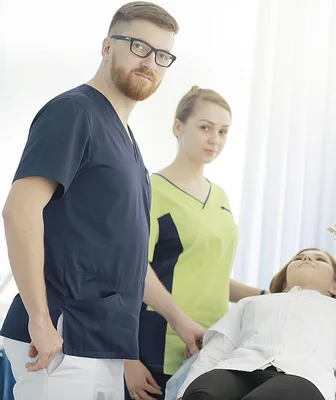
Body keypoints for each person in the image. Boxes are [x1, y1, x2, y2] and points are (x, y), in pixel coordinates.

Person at [0, 2, 205, 399]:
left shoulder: (127, 139)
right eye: (139, 47)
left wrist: (179, 320)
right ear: (108, 46)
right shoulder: (73, 112)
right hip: (60, 339)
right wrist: (40, 322)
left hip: (105, 344)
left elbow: (125, 258)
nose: (150, 63)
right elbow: (19, 210)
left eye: (163, 55)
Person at [124, 87, 265, 400]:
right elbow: (131, 273)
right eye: (205, 127)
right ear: (178, 127)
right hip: (158, 348)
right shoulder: (151, 191)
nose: (214, 139)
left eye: (223, 131)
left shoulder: (221, 197)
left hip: (214, 348)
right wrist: (126, 357)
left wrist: (270, 295)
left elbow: (208, 274)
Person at [175, 248, 336, 400]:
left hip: (302, 378)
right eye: (298, 258)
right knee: (202, 394)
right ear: (283, 282)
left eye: (320, 259)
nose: (307, 258)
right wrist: (183, 394)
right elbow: (214, 352)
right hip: (237, 369)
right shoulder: (251, 303)